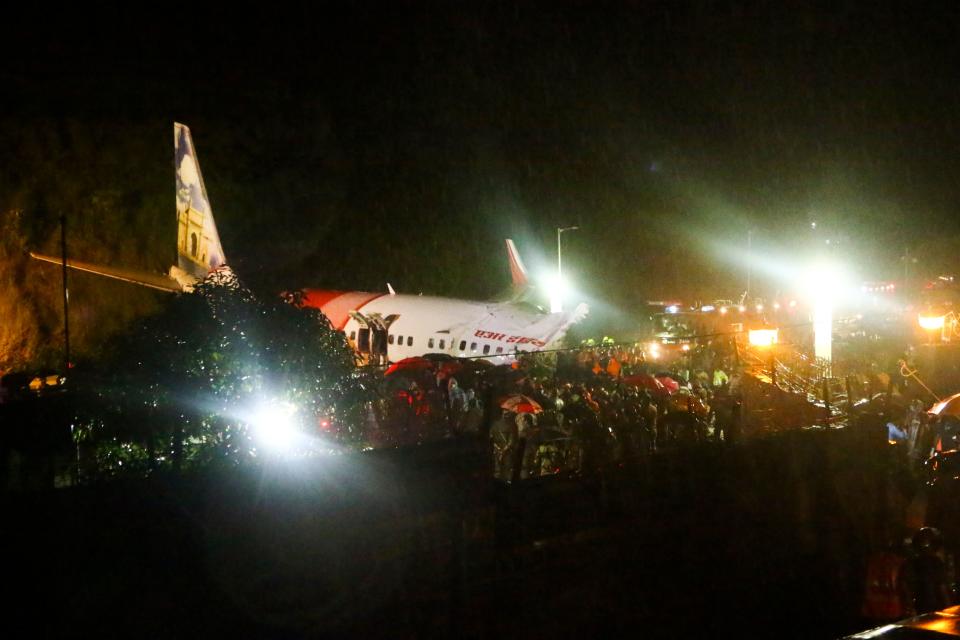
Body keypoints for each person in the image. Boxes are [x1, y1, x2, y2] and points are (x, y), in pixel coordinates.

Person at [906, 527, 953, 614]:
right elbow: (941, 586)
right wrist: (949, 607)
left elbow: (908, 585)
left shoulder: (914, 562)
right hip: (936, 605)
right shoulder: (935, 562)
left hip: (920, 605)